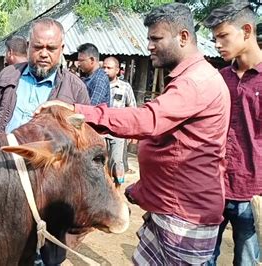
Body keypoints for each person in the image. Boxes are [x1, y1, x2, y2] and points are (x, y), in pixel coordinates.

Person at [35, 3, 230, 264]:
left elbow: (148, 120)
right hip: (167, 211)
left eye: (156, 38)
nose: (149, 45)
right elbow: (172, 149)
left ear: (183, 37)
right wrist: (142, 189)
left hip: (184, 220)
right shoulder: (187, 80)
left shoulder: (197, 82)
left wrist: (80, 112)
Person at [203, 3, 262, 265]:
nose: (217, 44)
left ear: (246, 31)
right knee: (203, 257)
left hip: (254, 193)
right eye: (215, 38)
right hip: (213, 186)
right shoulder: (218, 78)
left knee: (247, 261)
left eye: (223, 36)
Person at [0, 17, 90, 134]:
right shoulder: (8, 75)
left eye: (51, 48)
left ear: (61, 49)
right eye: (38, 47)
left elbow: (83, 138)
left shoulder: (76, 89)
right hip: (1, 151)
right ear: (28, 46)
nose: (44, 54)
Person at [102, 56, 136, 188]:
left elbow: (132, 109)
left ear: (117, 70)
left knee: (117, 161)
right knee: (101, 161)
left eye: (109, 68)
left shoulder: (124, 87)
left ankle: (117, 189)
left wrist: (133, 133)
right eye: (103, 67)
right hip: (100, 131)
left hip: (117, 132)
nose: (105, 70)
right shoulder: (99, 84)